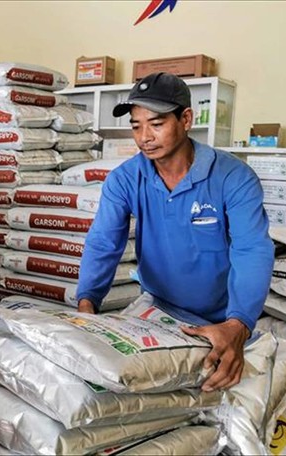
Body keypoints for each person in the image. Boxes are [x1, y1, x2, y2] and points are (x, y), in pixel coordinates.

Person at [76, 72, 275, 392]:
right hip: (158, 309)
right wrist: (87, 305)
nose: (145, 137)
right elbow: (103, 242)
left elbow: (251, 250)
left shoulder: (233, 177)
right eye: (136, 126)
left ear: (186, 119)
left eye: (156, 124)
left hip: (222, 317)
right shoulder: (125, 179)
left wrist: (238, 325)